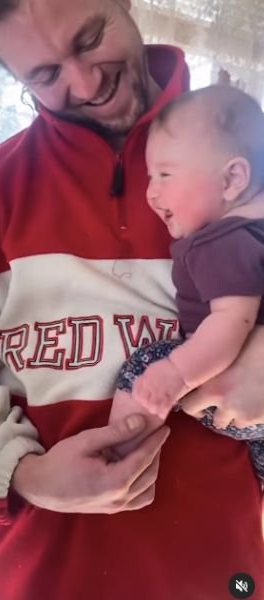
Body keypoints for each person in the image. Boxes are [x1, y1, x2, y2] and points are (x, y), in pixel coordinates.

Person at [0, 0, 264, 597]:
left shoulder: (244, 160)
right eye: (44, 76)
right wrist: (21, 474)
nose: (85, 83)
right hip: (34, 571)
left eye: (90, 37)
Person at [107, 85, 264, 473]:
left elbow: (230, 323)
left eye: (164, 175)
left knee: (144, 369)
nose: (151, 193)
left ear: (232, 180)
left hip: (232, 380)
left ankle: (117, 457)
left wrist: (175, 373)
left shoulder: (222, 241)